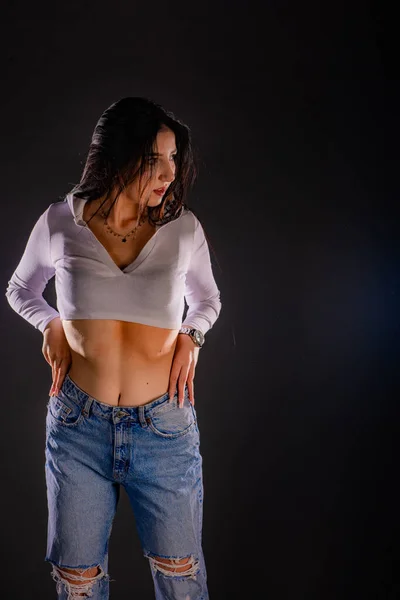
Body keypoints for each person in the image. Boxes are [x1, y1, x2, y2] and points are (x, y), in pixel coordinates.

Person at [5, 96, 221, 600]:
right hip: (78, 428)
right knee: (77, 584)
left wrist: (192, 334)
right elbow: (20, 289)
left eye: (173, 158)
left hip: (163, 429)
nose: (169, 173)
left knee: (181, 579)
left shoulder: (183, 228)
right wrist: (50, 323)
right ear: (119, 156)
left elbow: (207, 300)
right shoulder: (62, 221)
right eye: (154, 160)